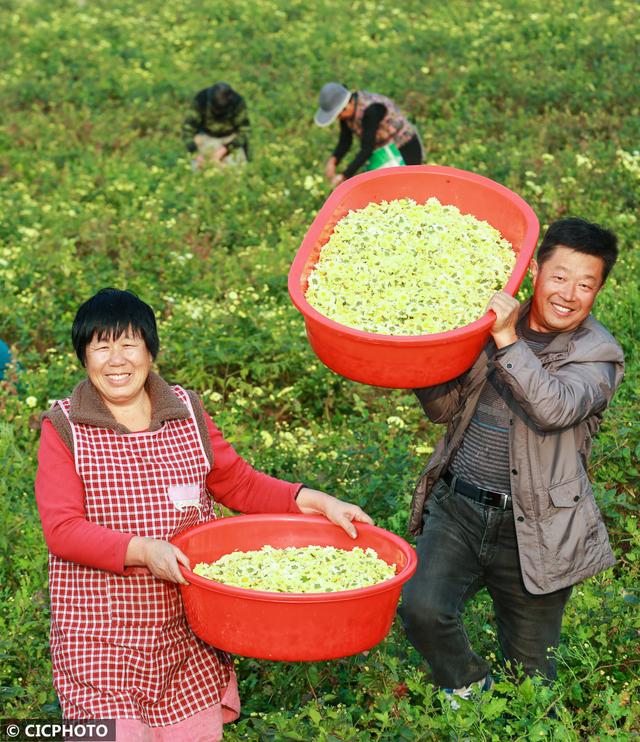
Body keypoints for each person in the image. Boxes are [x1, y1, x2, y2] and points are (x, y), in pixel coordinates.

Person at [35, 288, 372, 740]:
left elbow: (238, 482)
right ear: (83, 357)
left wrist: (317, 501)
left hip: (185, 635)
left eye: (129, 343)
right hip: (100, 641)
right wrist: (142, 550)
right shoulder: (64, 426)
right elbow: (63, 530)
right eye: (101, 346)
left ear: (150, 351)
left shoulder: (186, 411)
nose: (116, 359)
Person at [398, 218, 624, 707]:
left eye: (586, 284)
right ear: (535, 272)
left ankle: (511, 719)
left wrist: (506, 340)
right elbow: (444, 409)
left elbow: (554, 408)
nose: (569, 293)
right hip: (459, 507)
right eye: (559, 277)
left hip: (539, 526)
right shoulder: (490, 325)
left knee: (531, 679)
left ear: (599, 290)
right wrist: (423, 351)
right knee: (422, 608)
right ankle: (470, 689)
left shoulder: (599, 354)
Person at [314, 82, 423, 186]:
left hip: (403, 148)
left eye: (339, 114)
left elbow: (367, 148)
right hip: (383, 152)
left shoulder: (371, 110)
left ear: (348, 105)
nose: (339, 118)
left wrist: (345, 176)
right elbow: (345, 140)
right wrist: (333, 160)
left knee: (408, 185)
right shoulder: (346, 113)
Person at [182, 82, 250, 170]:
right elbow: (188, 129)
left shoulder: (237, 102)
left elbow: (244, 132)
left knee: (239, 170)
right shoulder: (201, 99)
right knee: (198, 169)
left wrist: (224, 150)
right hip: (206, 136)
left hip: (230, 138)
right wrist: (196, 153)